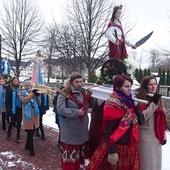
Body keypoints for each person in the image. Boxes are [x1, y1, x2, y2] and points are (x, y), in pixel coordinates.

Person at [86, 75, 140, 170]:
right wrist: (112, 151)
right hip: (117, 146)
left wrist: (134, 106)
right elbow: (107, 129)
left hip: (130, 146)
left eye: (130, 86)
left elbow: (141, 121)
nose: (129, 89)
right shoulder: (112, 104)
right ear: (118, 87)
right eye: (126, 86)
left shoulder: (130, 101)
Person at [57, 72, 94, 170]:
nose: (79, 84)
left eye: (81, 81)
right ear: (71, 82)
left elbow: (93, 105)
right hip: (70, 131)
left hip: (82, 130)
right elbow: (60, 109)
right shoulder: (64, 93)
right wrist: (77, 112)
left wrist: (93, 94)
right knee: (69, 159)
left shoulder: (85, 93)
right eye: (77, 82)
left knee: (77, 157)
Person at [136, 75, 167, 170]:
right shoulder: (139, 100)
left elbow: (162, 120)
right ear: (145, 86)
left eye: (155, 84)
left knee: (156, 164)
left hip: (156, 136)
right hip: (145, 137)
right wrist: (153, 104)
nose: (153, 87)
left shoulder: (157, 99)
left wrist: (164, 135)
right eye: (150, 85)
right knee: (148, 164)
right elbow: (142, 118)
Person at [19, 80, 40, 156]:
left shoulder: (33, 93)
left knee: (33, 131)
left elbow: (39, 102)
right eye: (27, 85)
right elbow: (25, 100)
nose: (28, 87)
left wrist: (37, 95)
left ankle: (27, 145)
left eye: (29, 85)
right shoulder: (21, 93)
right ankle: (31, 148)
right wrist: (32, 94)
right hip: (27, 115)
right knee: (30, 132)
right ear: (24, 87)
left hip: (34, 115)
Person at [6, 77, 22, 143]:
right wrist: (8, 110)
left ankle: (18, 136)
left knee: (19, 123)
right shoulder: (9, 89)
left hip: (19, 108)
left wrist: (20, 95)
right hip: (12, 108)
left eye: (17, 81)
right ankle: (8, 134)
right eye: (14, 81)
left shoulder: (20, 89)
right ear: (12, 82)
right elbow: (8, 100)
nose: (15, 82)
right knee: (12, 122)